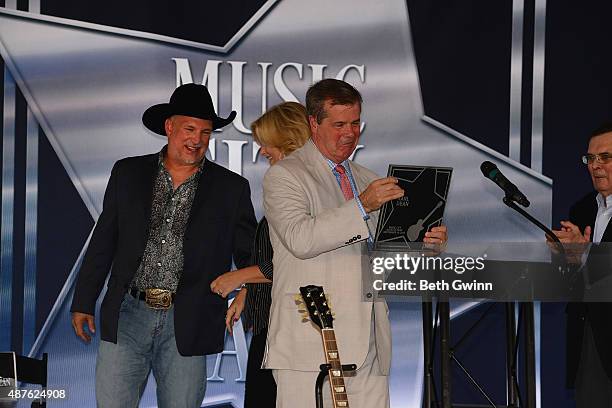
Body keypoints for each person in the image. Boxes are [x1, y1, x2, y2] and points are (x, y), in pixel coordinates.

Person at [262, 79, 448, 408]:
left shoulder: (367, 178)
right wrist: (362, 205)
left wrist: (424, 246)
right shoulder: (285, 176)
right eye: (338, 124)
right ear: (313, 123)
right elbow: (300, 239)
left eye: (354, 123)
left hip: (371, 344)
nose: (349, 133)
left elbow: (387, 257)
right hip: (312, 340)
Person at [69, 83, 257, 408]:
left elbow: (250, 255)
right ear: (169, 127)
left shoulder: (231, 188)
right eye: (189, 129)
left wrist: (248, 290)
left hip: (189, 319)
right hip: (128, 313)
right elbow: (104, 240)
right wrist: (84, 300)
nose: (196, 140)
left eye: (205, 132)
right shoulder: (128, 172)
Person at [209, 101, 311, 407]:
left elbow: (297, 259)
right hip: (273, 324)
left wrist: (237, 277)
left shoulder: (306, 190)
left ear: (288, 138)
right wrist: (247, 292)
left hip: (294, 328)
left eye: (266, 143)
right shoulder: (291, 185)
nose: (262, 151)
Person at [551, 123, 612, 407]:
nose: (595, 166)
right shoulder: (581, 209)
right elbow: (573, 282)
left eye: (606, 157)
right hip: (590, 338)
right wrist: (565, 257)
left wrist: (586, 253)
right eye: (590, 158)